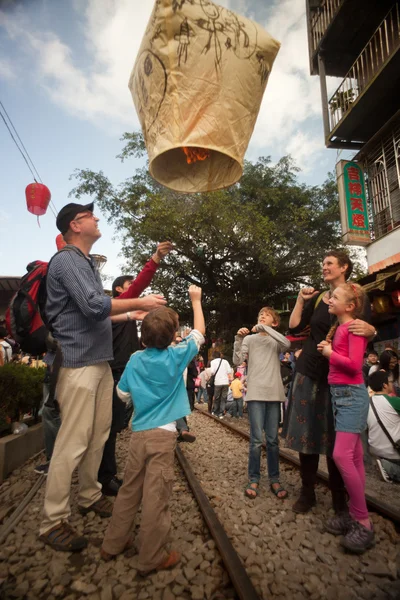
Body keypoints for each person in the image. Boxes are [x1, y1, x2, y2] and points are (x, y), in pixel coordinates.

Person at [38, 202, 166, 552]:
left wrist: (129, 314)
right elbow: (95, 307)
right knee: (73, 440)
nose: (97, 219)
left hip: (97, 362)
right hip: (78, 363)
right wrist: (144, 302)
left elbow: (94, 314)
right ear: (76, 225)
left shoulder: (85, 264)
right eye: (91, 216)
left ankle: (89, 495)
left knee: (99, 434)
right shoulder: (66, 260)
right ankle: (52, 521)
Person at [100, 286, 205, 573]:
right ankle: (151, 556)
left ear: (142, 336)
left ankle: (112, 544)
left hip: (139, 434)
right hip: (163, 436)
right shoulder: (177, 356)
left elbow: (122, 394)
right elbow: (199, 333)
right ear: (172, 336)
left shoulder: (135, 360)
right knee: (156, 496)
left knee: (130, 490)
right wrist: (196, 301)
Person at [283, 251, 376, 515]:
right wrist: (302, 300)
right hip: (309, 370)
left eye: (329, 264)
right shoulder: (321, 299)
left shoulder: (355, 295)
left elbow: (366, 329)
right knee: (306, 434)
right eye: (322, 263)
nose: (324, 267)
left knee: (337, 439)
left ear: (344, 267)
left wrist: (374, 330)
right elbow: (294, 327)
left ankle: (339, 500)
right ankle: (307, 492)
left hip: (339, 377)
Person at [98, 241, 173, 496]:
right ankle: (105, 477)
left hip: (123, 371)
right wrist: (155, 258)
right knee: (108, 427)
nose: (136, 291)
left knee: (113, 425)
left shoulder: (126, 314)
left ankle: (102, 474)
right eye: (129, 287)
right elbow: (141, 284)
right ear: (119, 290)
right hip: (115, 371)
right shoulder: (117, 305)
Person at [317, 283, 374, 554]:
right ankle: (354, 513)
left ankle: (362, 520)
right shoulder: (341, 328)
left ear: (349, 306)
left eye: (335, 297)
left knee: (341, 456)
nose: (330, 299)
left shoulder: (354, 327)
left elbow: (354, 364)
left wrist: (330, 354)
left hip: (351, 395)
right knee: (352, 456)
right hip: (342, 396)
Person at [233, 306, 290, 500]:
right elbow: (237, 360)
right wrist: (238, 339)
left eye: (266, 315)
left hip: (274, 393)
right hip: (256, 392)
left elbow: (287, 344)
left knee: (273, 440)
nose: (261, 317)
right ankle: (254, 478)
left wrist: (268, 329)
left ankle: (274, 478)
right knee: (256, 440)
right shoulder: (250, 339)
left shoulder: (276, 341)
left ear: (274, 322)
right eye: (260, 315)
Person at [367, 370, 400, 483]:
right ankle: (390, 468)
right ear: (385, 385)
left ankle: (385, 464)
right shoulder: (394, 401)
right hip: (393, 452)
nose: (393, 384)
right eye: (391, 382)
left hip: (375, 449)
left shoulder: (367, 403)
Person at [210, 351, 232, 418]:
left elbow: (212, 372)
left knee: (217, 397)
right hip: (225, 382)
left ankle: (215, 411)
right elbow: (229, 371)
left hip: (218, 382)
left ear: (213, 356)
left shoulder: (213, 362)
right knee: (223, 398)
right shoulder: (225, 361)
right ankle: (221, 413)